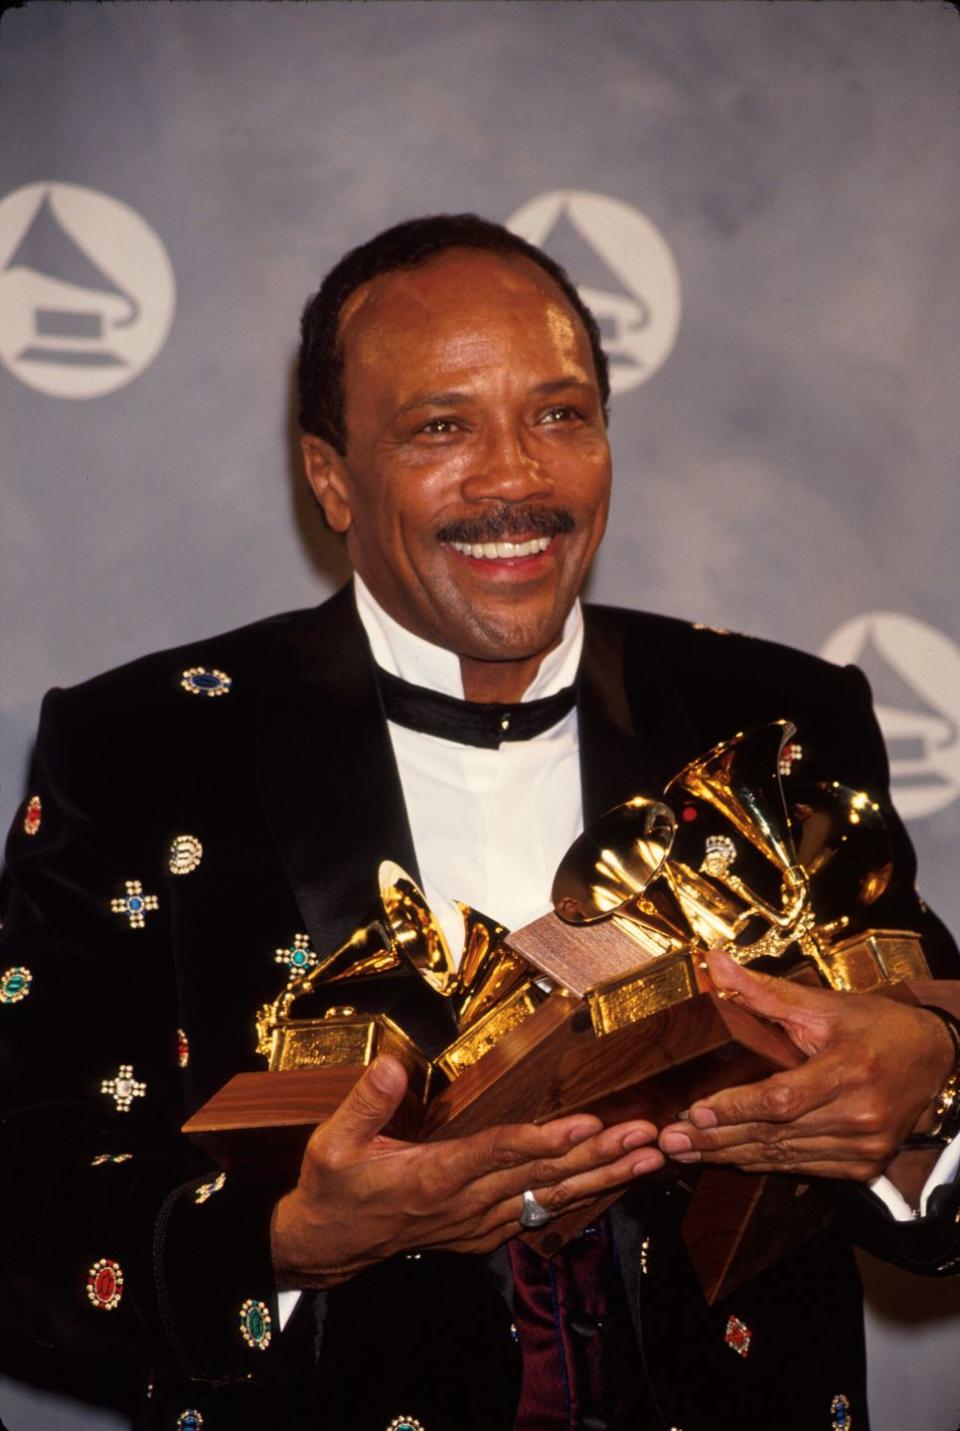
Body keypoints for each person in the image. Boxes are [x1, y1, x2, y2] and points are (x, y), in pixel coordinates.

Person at [2, 214, 959, 1431]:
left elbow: (924, 1047)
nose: (517, 478)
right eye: (441, 426)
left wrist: (923, 1093)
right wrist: (291, 1241)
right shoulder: (143, 746)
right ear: (333, 477)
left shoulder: (779, 717)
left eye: (561, 414)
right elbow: (27, 1179)